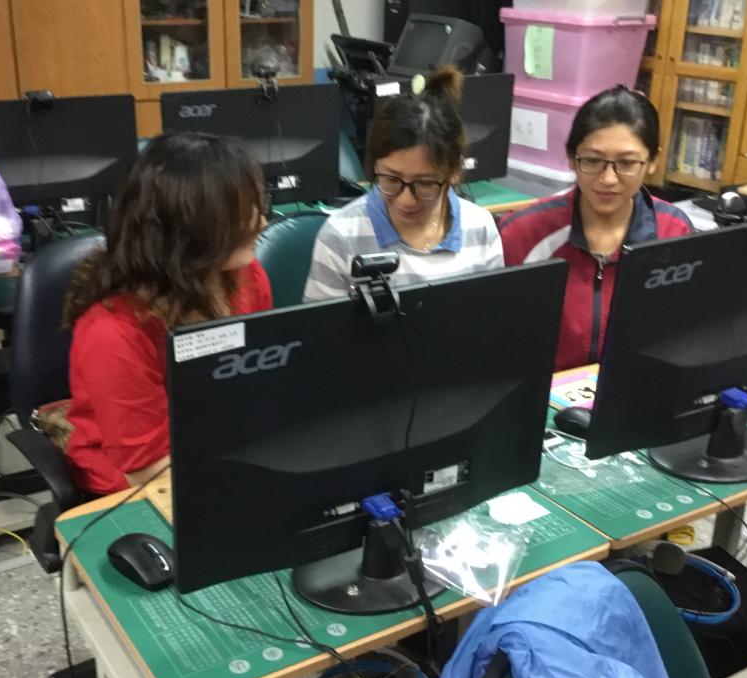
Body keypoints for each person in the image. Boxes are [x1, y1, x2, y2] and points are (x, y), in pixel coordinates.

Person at [63, 132, 273, 495]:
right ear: (188, 229)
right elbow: (146, 470)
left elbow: (259, 380)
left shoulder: (246, 278)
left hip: (222, 446)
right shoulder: (112, 333)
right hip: (135, 487)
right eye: (237, 215)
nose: (263, 223)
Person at [499, 86, 694, 372]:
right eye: (592, 160)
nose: (608, 179)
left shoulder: (675, 230)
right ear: (571, 157)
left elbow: (683, 334)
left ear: (652, 161)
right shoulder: (521, 233)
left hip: (634, 385)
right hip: (544, 391)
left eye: (627, 163)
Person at [302, 66, 503, 301]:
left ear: (455, 172)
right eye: (391, 180)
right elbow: (324, 324)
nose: (406, 200)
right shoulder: (341, 235)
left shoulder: (480, 229)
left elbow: (491, 317)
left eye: (425, 184)